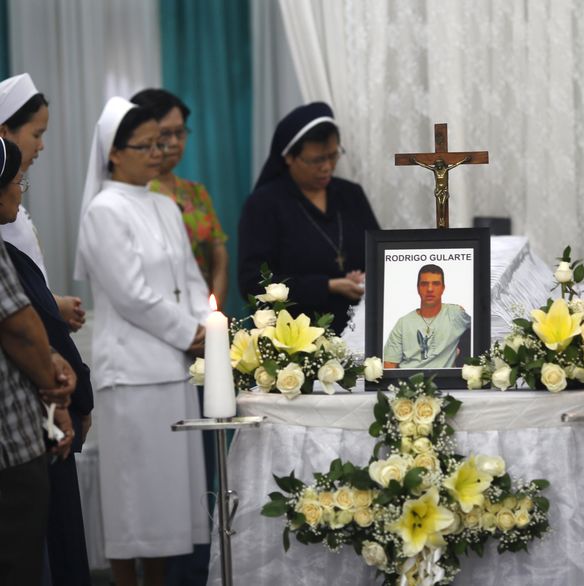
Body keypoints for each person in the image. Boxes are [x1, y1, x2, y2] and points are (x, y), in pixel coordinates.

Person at [74, 97, 210, 586]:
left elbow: (192, 279)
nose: (159, 152)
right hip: (132, 373)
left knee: (167, 506)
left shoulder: (163, 204)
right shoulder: (104, 210)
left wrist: (205, 328)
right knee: (133, 503)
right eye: (146, 145)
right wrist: (191, 333)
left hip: (174, 366)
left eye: (162, 143)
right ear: (114, 152)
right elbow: (132, 294)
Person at [0, 137, 76, 585]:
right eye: (16, 181)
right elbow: (16, 326)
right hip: (7, 447)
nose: (20, 190)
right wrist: (54, 382)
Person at [239, 102, 379, 334]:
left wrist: (363, 276)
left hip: (360, 330)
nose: (327, 167)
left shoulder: (351, 195)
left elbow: (376, 255)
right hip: (294, 339)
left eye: (333, 156)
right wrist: (327, 286)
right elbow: (252, 283)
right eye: (316, 160)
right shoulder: (264, 205)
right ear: (289, 158)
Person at [0, 73, 85, 332]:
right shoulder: (3, 208)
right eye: (37, 134)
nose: (41, 146)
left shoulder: (15, 203)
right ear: (4, 132)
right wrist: (55, 305)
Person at [130, 88, 229, 306]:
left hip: (204, 312)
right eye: (166, 134)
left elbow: (218, 256)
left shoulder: (196, 192)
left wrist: (213, 311)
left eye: (180, 132)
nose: (175, 142)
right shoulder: (134, 195)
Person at [384, 264, 471, 368]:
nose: (430, 289)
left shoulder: (455, 314)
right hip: (409, 380)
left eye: (436, 284)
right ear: (418, 288)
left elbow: (480, 327)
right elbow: (389, 364)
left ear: (443, 288)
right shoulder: (403, 323)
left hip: (444, 381)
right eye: (424, 284)